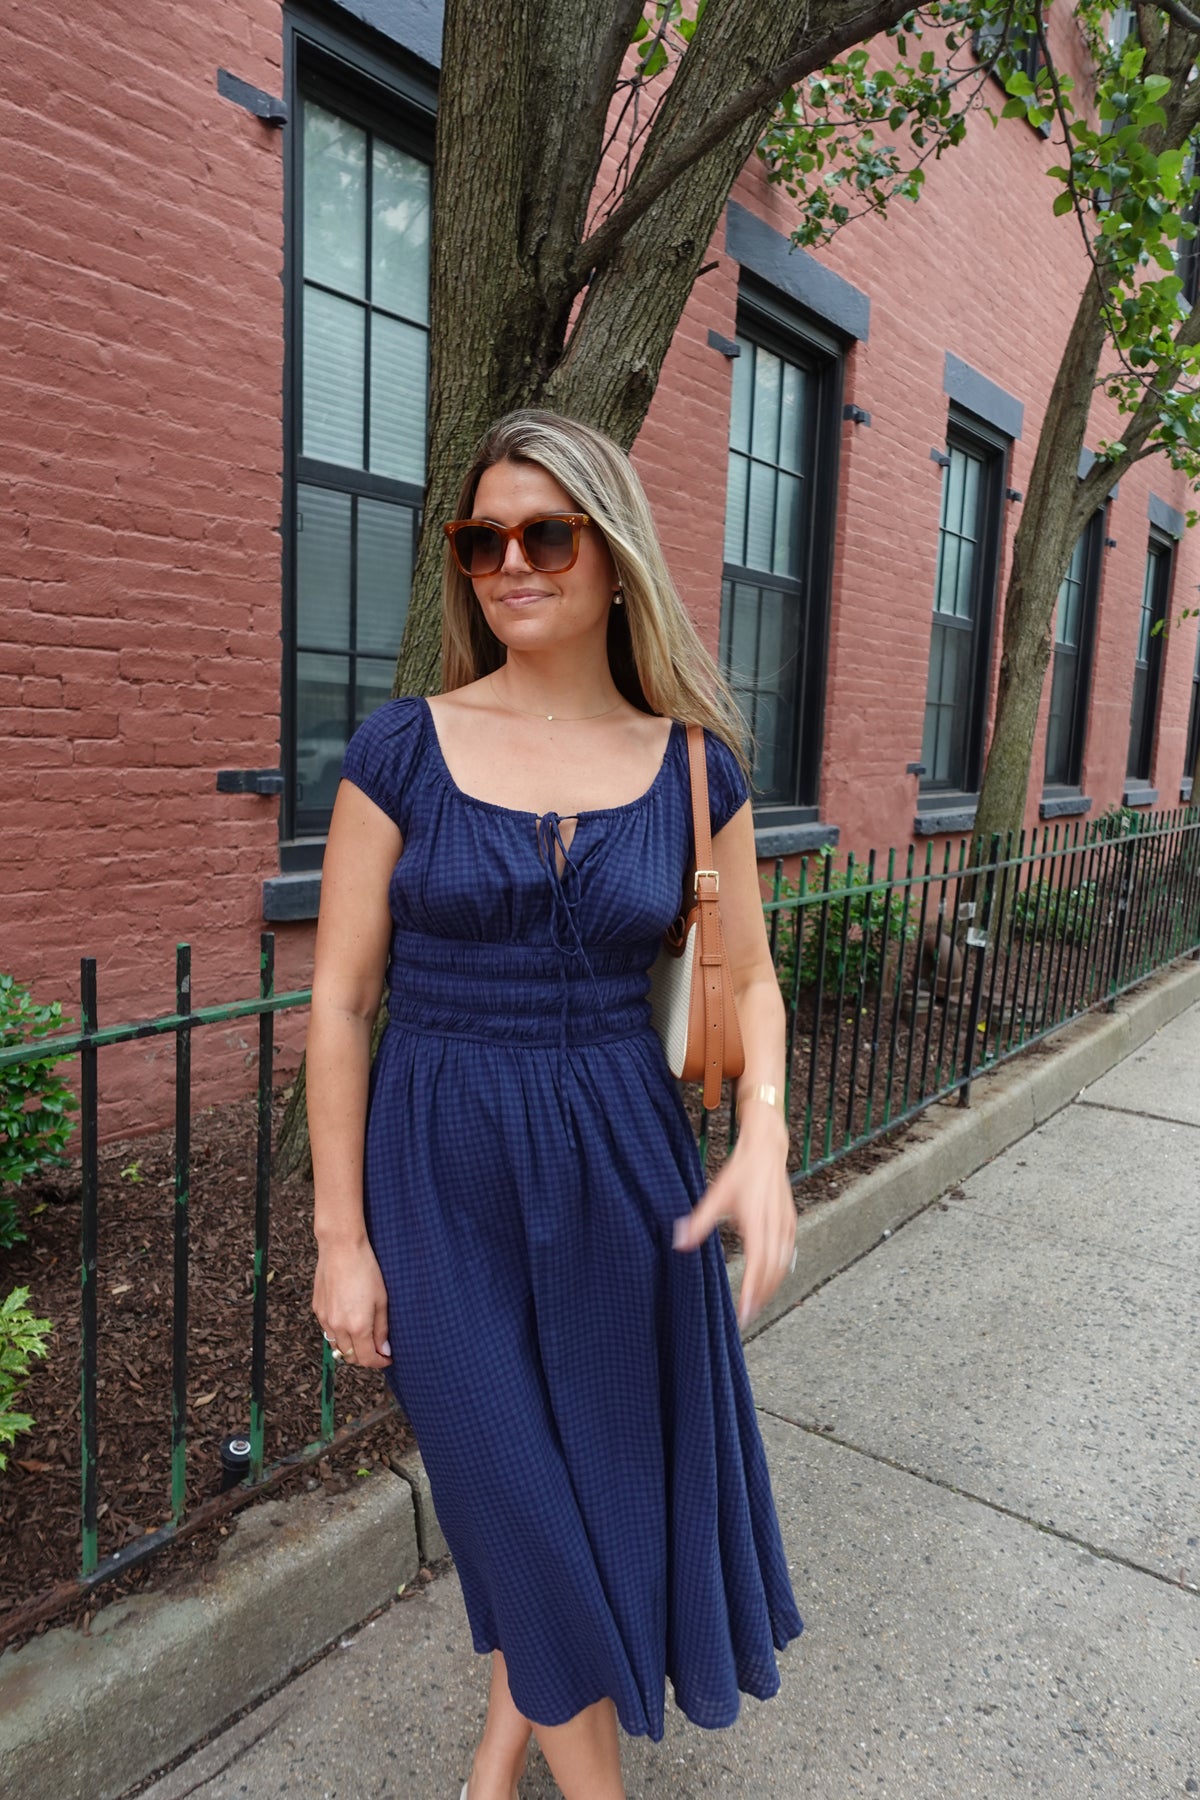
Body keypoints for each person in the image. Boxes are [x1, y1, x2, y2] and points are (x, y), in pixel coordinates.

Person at [308, 410, 803, 1800]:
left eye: (545, 534)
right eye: (483, 541)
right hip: (439, 1165)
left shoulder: (694, 765)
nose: (511, 564)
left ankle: (494, 1758)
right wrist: (341, 1238)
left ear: (615, 554)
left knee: (582, 1480)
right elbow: (341, 1002)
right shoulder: (403, 751)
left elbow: (755, 980)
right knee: (511, 1489)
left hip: (624, 1170)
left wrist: (765, 1132)